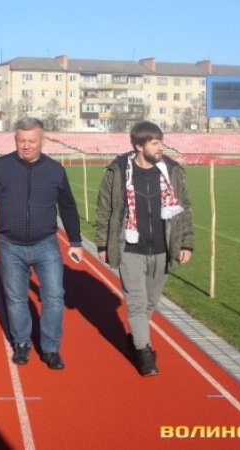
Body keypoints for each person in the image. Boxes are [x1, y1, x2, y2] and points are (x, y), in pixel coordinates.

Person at [0, 117, 83, 370]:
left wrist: (76, 241)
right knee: (16, 299)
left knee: (54, 297)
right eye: (21, 140)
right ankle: (22, 343)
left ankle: (51, 348)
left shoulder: (55, 170)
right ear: (15, 140)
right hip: (10, 245)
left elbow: (68, 207)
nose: (26, 146)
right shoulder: (0, 167)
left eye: (32, 141)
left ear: (42, 140)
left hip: (46, 244)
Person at [95, 120, 194, 376]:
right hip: (130, 249)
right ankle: (145, 353)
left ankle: (135, 339)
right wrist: (103, 243)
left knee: (150, 301)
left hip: (162, 247)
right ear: (139, 146)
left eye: (161, 142)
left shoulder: (171, 171)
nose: (161, 147)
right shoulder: (118, 171)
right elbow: (105, 209)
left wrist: (186, 242)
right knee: (137, 302)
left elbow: (184, 210)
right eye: (155, 143)